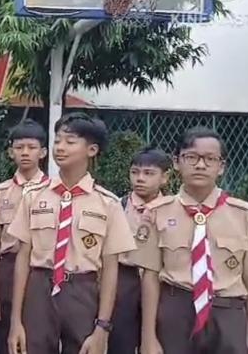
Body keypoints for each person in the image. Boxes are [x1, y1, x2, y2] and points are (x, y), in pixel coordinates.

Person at [8, 112, 136, 354]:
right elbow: (23, 258)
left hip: (82, 290)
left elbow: (110, 268)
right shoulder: (34, 196)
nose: (60, 147)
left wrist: (102, 326)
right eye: (57, 140)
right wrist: (16, 321)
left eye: (70, 141)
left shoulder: (107, 203)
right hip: (39, 288)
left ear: (92, 150)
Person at [137, 127, 248, 354]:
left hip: (227, 314)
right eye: (191, 157)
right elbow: (149, 278)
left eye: (210, 159)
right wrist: (148, 337)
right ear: (176, 162)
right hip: (176, 311)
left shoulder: (245, 216)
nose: (200, 165)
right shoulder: (157, 212)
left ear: (221, 167)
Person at [0, 120, 48, 354]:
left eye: (32, 147)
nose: (25, 152)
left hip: (41, 269)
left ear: (43, 152)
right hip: (8, 269)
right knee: (6, 337)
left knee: (40, 335)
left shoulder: (54, 192)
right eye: (19, 147)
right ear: (10, 152)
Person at [108, 147, 171, 354]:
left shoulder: (172, 209)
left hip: (159, 280)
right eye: (135, 172)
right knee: (120, 339)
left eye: (149, 173)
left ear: (165, 177)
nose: (140, 179)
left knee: (158, 340)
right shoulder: (117, 206)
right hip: (125, 279)